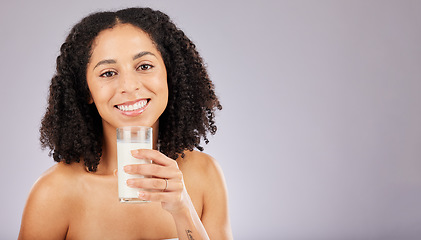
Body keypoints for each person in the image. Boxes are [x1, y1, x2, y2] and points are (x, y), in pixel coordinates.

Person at [18, 7, 232, 240]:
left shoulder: (205, 175)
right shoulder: (53, 192)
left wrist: (182, 210)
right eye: (108, 73)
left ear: (169, 74)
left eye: (144, 66)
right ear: (86, 91)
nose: (129, 86)